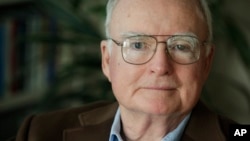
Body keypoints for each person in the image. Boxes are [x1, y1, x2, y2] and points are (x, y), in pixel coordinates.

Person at [12, 0, 235, 141]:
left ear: (206, 63)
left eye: (181, 46)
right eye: (137, 44)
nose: (160, 67)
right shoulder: (40, 133)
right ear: (107, 59)